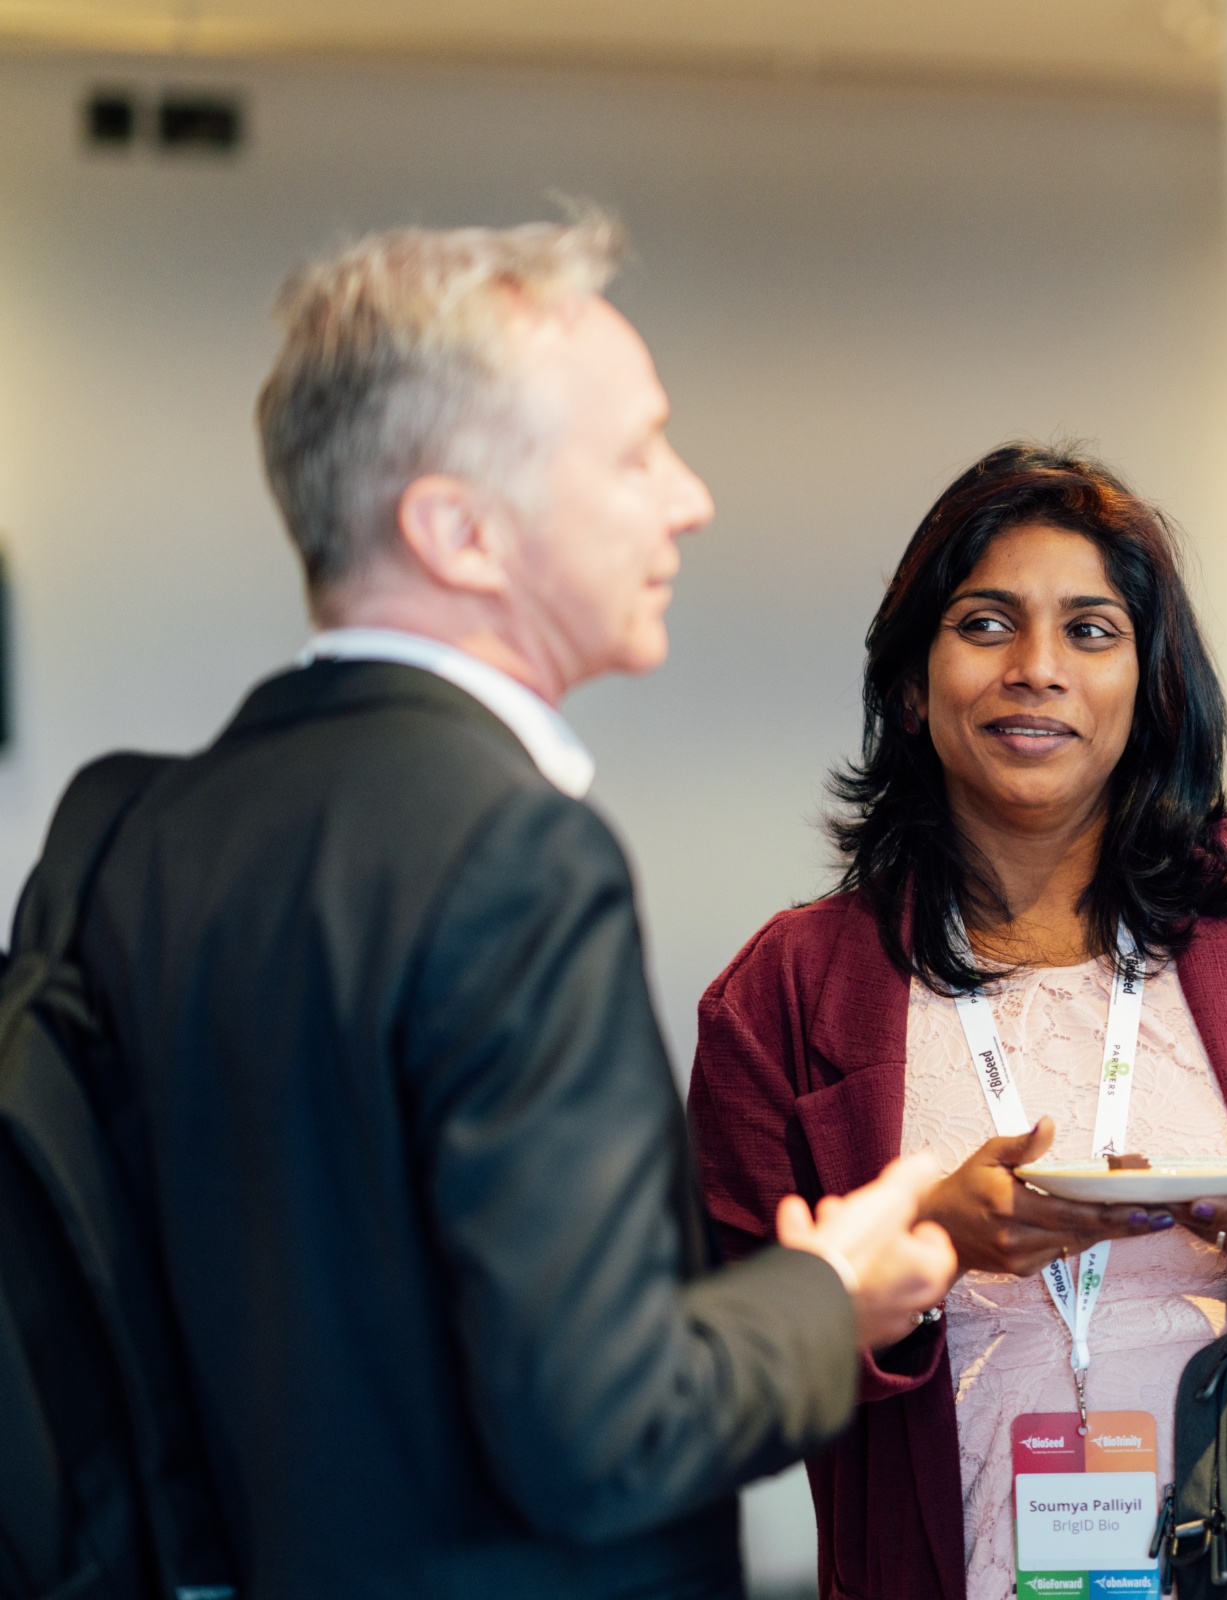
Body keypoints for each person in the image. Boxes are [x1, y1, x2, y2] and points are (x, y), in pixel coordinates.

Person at [75, 216, 956, 1600]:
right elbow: (603, 1431)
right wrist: (827, 1295)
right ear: (460, 530)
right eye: (635, 452)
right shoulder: (516, 857)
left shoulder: (153, 832)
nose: (690, 498)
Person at [687, 443, 1227, 1600]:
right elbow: (718, 1388)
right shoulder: (787, 993)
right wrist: (931, 1246)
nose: (1037, 669)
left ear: (1150, 683)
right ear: (911, 683)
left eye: (1091, 631)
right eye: (986, 625)